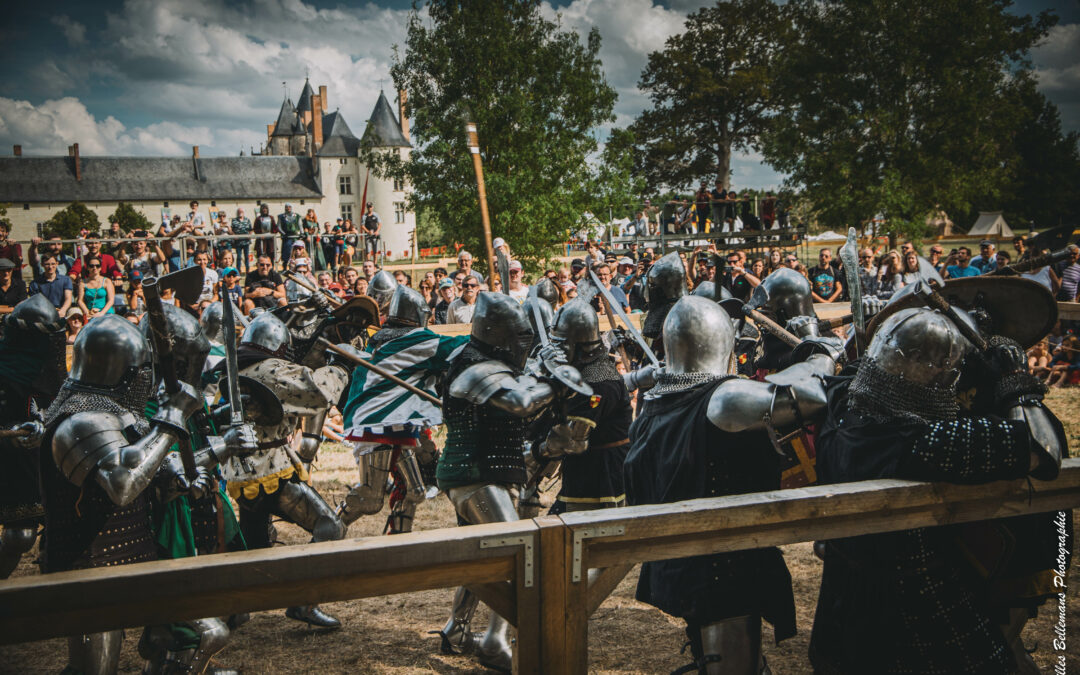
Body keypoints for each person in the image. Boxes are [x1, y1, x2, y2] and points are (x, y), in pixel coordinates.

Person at [809, 307, 1067, 674]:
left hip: (843, 594)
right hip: (918, 606)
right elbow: (1044, 448)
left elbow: (843, 371)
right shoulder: (926, 443)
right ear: (943, 378)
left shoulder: (840, 405)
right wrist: (1014, 381)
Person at [624, 296, 838, 674]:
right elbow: (812, 397)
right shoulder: (723, 399)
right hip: (724, 568)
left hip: (684, 561)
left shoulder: (655, 402)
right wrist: (821, 352)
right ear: (723, 343)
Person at [38, 315, 205, 673]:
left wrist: (212, 454)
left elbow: (150, 468)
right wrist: (172, 418)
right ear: (129, 373)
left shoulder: (118, 414)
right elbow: (123, 485)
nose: (147, 378)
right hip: (90, 565)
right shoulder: (82, 420)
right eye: (143, 370)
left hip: (128, 557)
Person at [435, 293, 578, 671]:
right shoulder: (473, 367)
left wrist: (546, 374)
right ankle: (496, 641)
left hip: (488, 475)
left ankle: (456, 629)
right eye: (518, 336)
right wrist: (556, 383)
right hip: (474, 476)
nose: (522, 344)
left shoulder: (491, 362)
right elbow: (520, 402)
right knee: (519, 553)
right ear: (498, 333)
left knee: (487, 556)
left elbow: (525, 392)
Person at [219, 311, 353, 628]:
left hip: (241, 471)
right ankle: (304, 601)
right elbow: (317, 391)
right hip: (269, 469)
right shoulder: (271, 369)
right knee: (330, 526)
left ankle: (234, 609)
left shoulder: (234, 367)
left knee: (254, 548)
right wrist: (341, 367)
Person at [338, 286, 467, 533]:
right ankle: (327, 529)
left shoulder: (385, 339)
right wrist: (489, 333)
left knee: (414, 491)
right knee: (370, 497)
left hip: (394, 423)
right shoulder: (415, 340)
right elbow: (457, 347)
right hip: (377, 422)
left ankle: (398, 538)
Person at [535, 299, 634, 514]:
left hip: (603, 472)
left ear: (577, 345)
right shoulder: (585, 373)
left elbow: (572, 440)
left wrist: (536, 452)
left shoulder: (599, 383)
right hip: (586, 467)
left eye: (562, 345)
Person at [0, 295, 68, 578]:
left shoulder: (53, 369)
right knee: (20, 536)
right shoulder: (3, 370)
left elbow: (64, 405)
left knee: (63, 532)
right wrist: (11, 433)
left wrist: (47, 422)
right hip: (14, 462)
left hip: (51, 458)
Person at [229, 207, 252, 274]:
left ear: (243, 212)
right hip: (238, 242)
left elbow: (251, 229)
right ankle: (238, 270)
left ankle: (247, 270)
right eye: (239, 211)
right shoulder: (234, 220)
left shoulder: (247, 220)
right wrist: (234, 235)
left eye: (241, 211)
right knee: (239, 256)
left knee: (246, 256)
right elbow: (231, 230)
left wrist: (249, 236)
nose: (240, 213)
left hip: (246, 242)